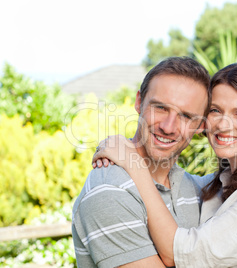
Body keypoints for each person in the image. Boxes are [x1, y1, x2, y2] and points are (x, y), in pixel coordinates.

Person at [94, 62, 237, 267]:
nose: (223, 125)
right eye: (215, 110)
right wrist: (116, 147)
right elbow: (166, 180)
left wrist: (134, 164)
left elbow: (180, 254)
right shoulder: (212, 186)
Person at [72, 57, 213, 267]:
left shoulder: (197, 189)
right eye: (161, 108)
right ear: (139, 102)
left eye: (185, 116)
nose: (168, 126)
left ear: (201, 126)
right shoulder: (109, 189)